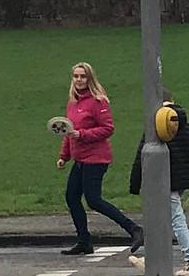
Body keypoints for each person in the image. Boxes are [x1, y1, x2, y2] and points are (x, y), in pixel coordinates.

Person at [57, 62, 140, 256]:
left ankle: (134, 229)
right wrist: (64, 156)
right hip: (79, 159)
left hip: (96, 158)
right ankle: (84, 241)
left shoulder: (98, 101)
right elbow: (69, 131)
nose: (78, 80)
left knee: (93, 200)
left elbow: (108, 128)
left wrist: (83, 135)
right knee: (71, 197)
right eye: (76, 76)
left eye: (82, 76)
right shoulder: (72, 102)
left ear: (90, 79)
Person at [127, 92, 189, 276]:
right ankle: (153, 259)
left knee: (175, 220)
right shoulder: (185, 126)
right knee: (162, 221)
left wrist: (135, 183)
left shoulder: (156, 125)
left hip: (162, 180)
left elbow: (142, 155)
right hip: (180, 181)